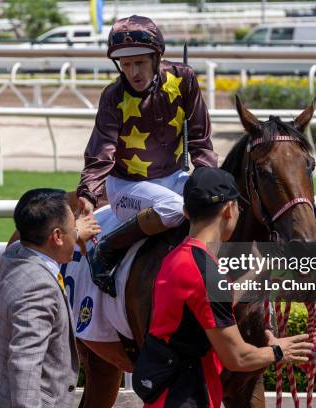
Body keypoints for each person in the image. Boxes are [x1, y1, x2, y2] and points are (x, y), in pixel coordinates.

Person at [133, 167, 313, 408]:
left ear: (187, 212)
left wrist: (255, 270)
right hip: (186, 397)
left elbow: (211, 300)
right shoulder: (206, 272)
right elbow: (238, 358)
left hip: (165, 394)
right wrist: (278, 352)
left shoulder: (178, 257)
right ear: (229, 210)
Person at [76, 15, 217, 297]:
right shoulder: (113, 96)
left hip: (174, 177)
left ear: (156, 57)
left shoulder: (184, 79)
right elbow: (102, 151)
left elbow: (200, 139)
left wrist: (209, 181)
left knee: (217, 204)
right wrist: (88, 194)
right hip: (127, 187)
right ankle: (107, 248)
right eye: (126, 65)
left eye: (139, 62)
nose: (133, 72)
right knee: (175, 209)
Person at [0, 188, 101, 408]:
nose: (76, 231)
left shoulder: (13, 255)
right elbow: (25, 366)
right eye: (73, 227)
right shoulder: (39, 289)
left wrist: (75, 232)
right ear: (57, 236)